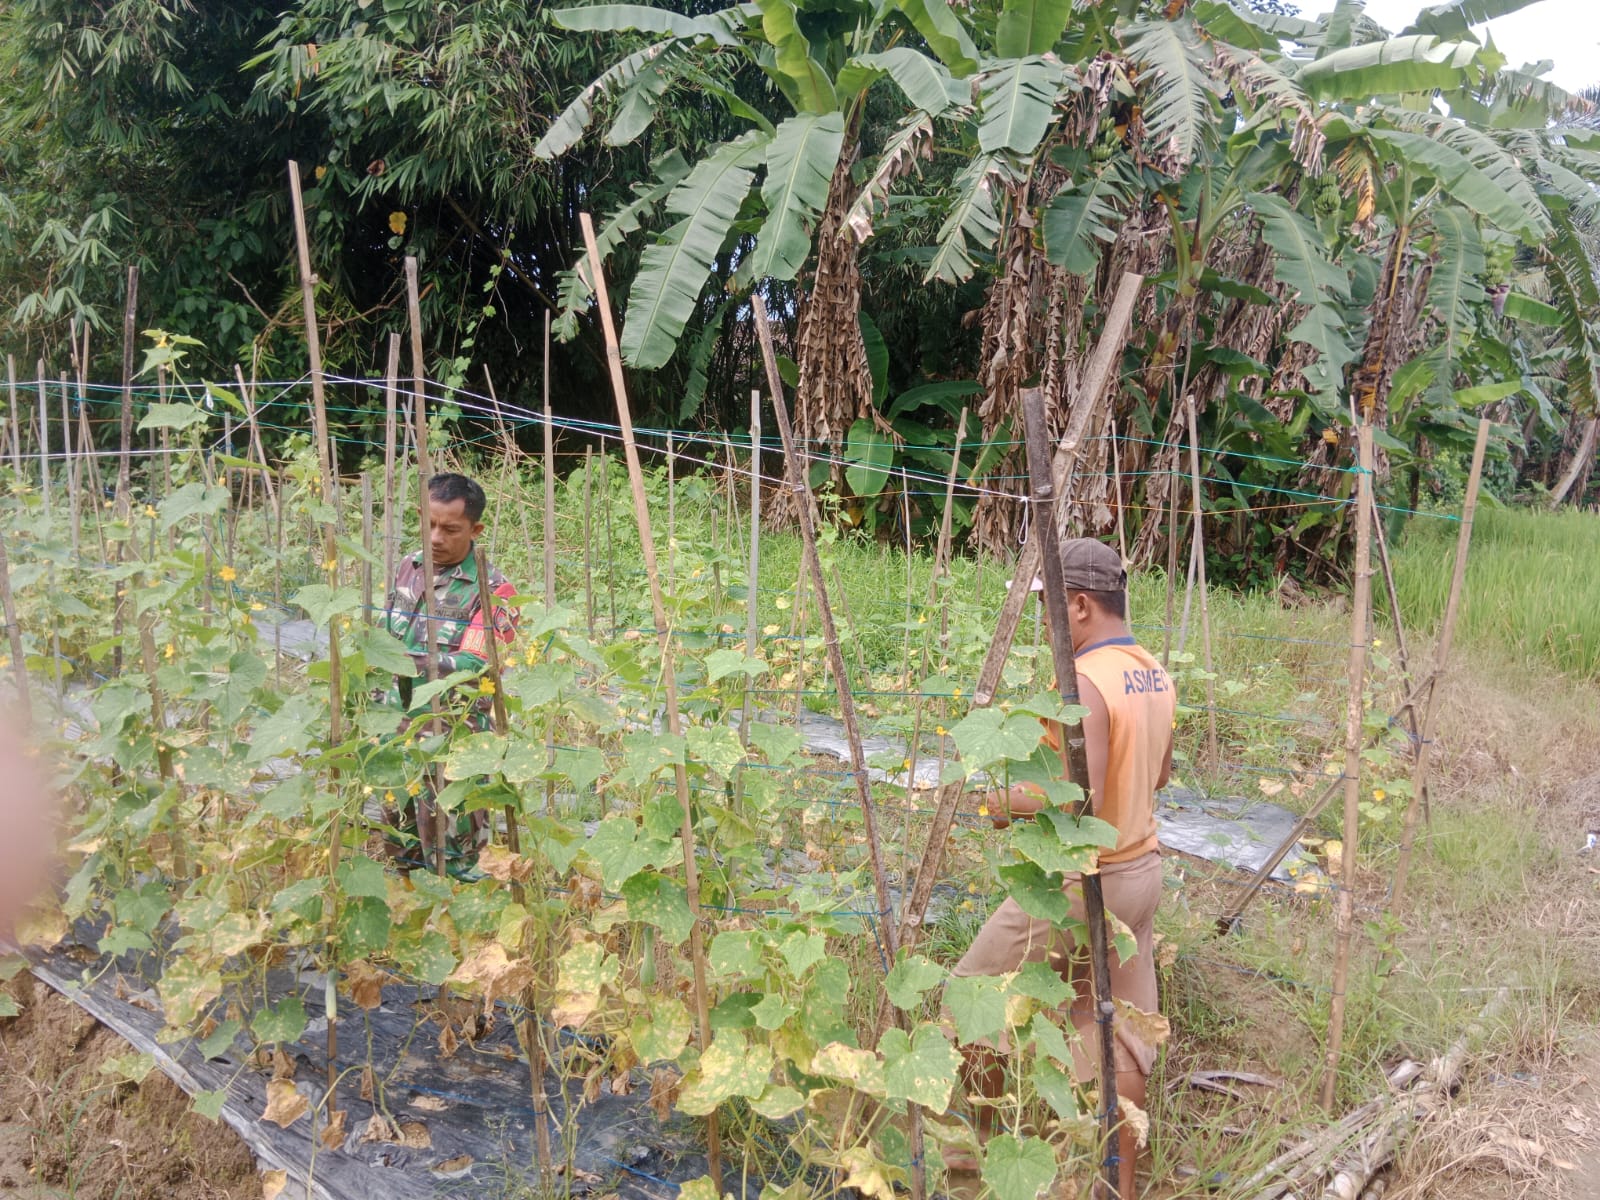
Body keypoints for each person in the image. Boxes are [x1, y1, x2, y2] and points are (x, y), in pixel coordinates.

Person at [949, 537, 1173, 1199]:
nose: (1045, 621)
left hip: (1081, 879)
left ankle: (981, 1160)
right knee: (1119, 1032)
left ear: (1079, 606)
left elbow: (1080, 796)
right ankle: (1117, 1189)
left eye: (1049, 606)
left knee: (973, 996)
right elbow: (1159, 774)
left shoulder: (1085, 682)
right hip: (1141, 871)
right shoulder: (1152, 672)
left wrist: (1003, 800)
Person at [379, 472, 518, 869]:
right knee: (399, 846)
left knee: (455, 855)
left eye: (450, 529)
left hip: (453, 742)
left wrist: (398, 661)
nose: (435, 537)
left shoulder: (496, 591)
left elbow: (475, 664)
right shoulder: (409, 566)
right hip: (395, 734)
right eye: (429, 524)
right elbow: (385, 630)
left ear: (475, 530)